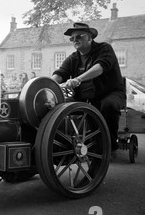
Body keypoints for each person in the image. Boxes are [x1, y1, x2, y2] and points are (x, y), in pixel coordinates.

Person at [52, 22, 126, 159]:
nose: (75, 40)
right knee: (60, 106)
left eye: (79, 36)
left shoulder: (104, 48)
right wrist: (49, 83)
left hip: (111, 93)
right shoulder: (73, 58)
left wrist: (78, 79)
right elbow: (60, 73)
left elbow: (100, 67)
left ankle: (109, 146)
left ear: (90, 37)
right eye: (72, 38)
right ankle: (66, 143)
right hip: (84, 98)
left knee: (108, 106)